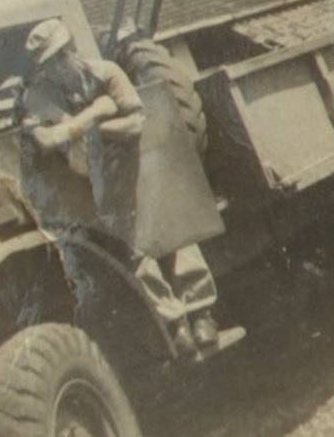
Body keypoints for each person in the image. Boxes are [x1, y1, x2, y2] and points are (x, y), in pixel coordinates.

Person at [16, 18, 219, 355]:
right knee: (133, 249)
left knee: (176, 231)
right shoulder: (40, 94)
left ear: (72, 49)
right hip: (96, 179)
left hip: (138, 164)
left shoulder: (107, 73)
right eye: (48, 62)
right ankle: (176, 322)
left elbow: (134, 124)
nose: (57, 66)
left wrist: (83, 128)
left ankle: (201, 312)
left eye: (61, 56)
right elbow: (45, 139)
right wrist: (97, 112)